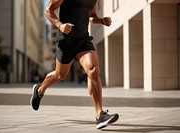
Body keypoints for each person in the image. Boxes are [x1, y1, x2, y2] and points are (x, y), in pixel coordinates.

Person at [30, 0, 119, 129]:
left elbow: (91, 16)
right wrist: (60, 25)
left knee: (93, 70)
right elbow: (48, 11)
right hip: (66, 40)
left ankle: (100, 115)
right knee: (60, 75)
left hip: (83, 39)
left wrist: (101, 20)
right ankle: (39, 90)